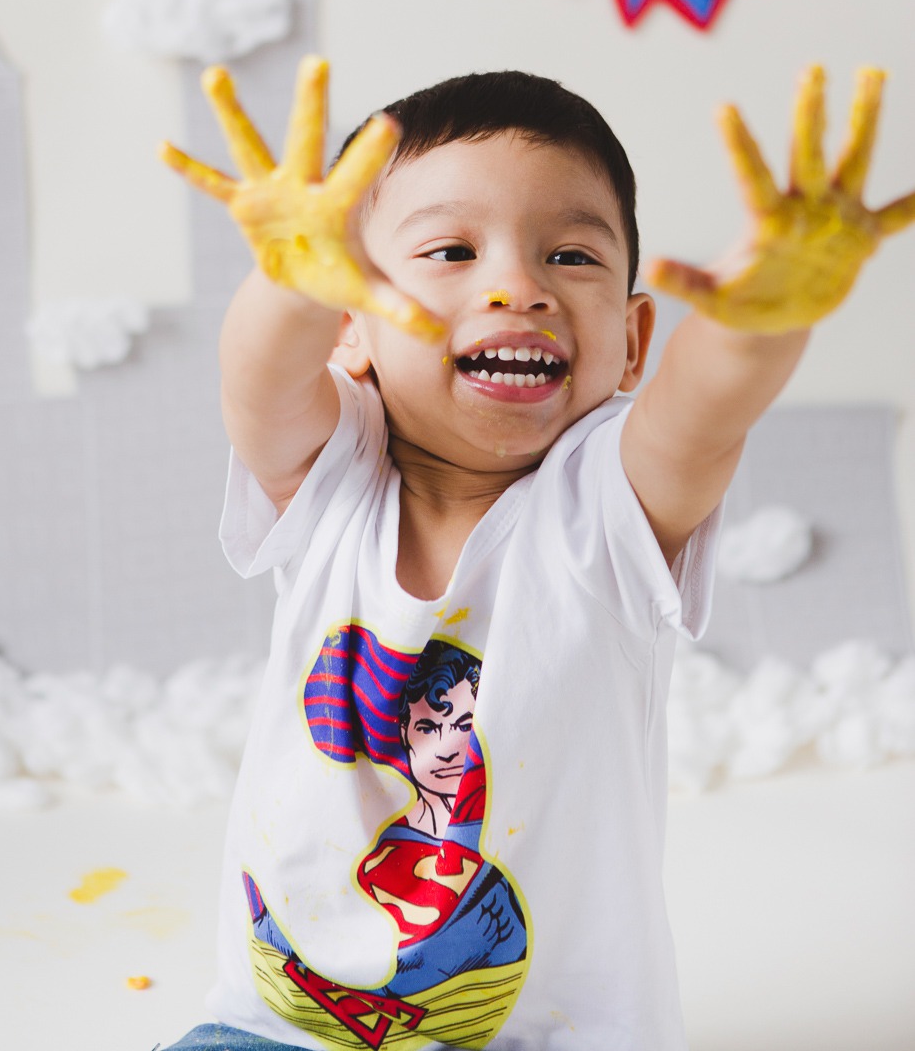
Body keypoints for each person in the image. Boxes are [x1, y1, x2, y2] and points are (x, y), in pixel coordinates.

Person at [156, 59, 914, 1051]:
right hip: (288, 1026)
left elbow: (699, 414)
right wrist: (286, 281)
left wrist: (759, 320)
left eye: (573, 257)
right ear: (352, 324)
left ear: (633, 342)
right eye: (451, 249)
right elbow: (257, 380)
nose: (517, 285)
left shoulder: (607, 509)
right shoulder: (333, 478)